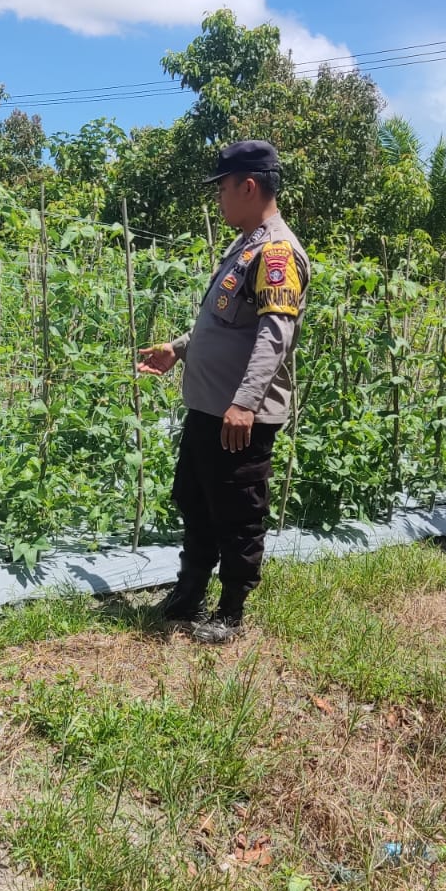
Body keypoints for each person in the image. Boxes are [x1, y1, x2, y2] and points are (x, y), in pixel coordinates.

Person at [137, 140, 309, 644]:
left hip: (238, 416)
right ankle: (188, 592)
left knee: (237, 513)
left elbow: (275, 333)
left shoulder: (276, 251)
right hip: (210, 409)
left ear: (248, 186)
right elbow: (226, 325)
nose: (220, 201)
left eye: (224, 190)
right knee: (196, 500)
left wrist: (245, 402)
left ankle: (231, 611)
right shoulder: (246, 244)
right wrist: (179, 348)